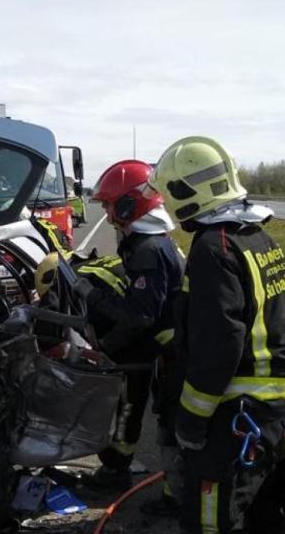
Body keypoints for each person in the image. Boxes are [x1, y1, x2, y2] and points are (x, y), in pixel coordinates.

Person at [148, 136, 285, 533]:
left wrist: (191, 419)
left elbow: (219, 346)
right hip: (268, 422)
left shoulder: (212, 249)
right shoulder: (258, 238)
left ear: (186, 192)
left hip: (231, 427)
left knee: (209, 524)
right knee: (263, 520)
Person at [70, 159, 185, 492]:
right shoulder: (149, 239)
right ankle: (166, 487)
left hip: (163, 349)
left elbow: (140, 316)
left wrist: (93, 302)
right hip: (165, 345)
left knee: (131, 405)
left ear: (128, 202)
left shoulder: (148, 248)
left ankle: (117, 472)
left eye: (109, 203)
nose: (106, 212)